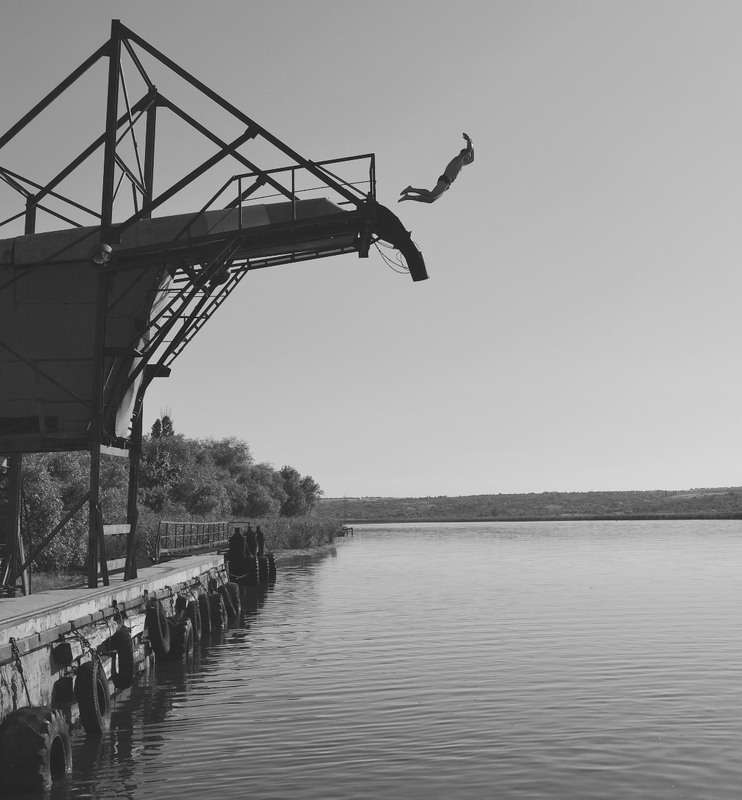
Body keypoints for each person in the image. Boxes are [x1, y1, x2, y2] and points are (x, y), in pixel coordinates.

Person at [399, 133, 474, 203]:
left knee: (430, 200)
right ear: (464, 154)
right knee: (431, 194)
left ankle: (408, 197)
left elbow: (472, 159)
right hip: (445, 180)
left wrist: (472, 145)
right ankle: (411, 189)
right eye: (468, 155)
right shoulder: (459, 158)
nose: (469, 157)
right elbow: (468, 150)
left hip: (447, 183)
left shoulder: (461, 163)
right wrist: (469, 141)